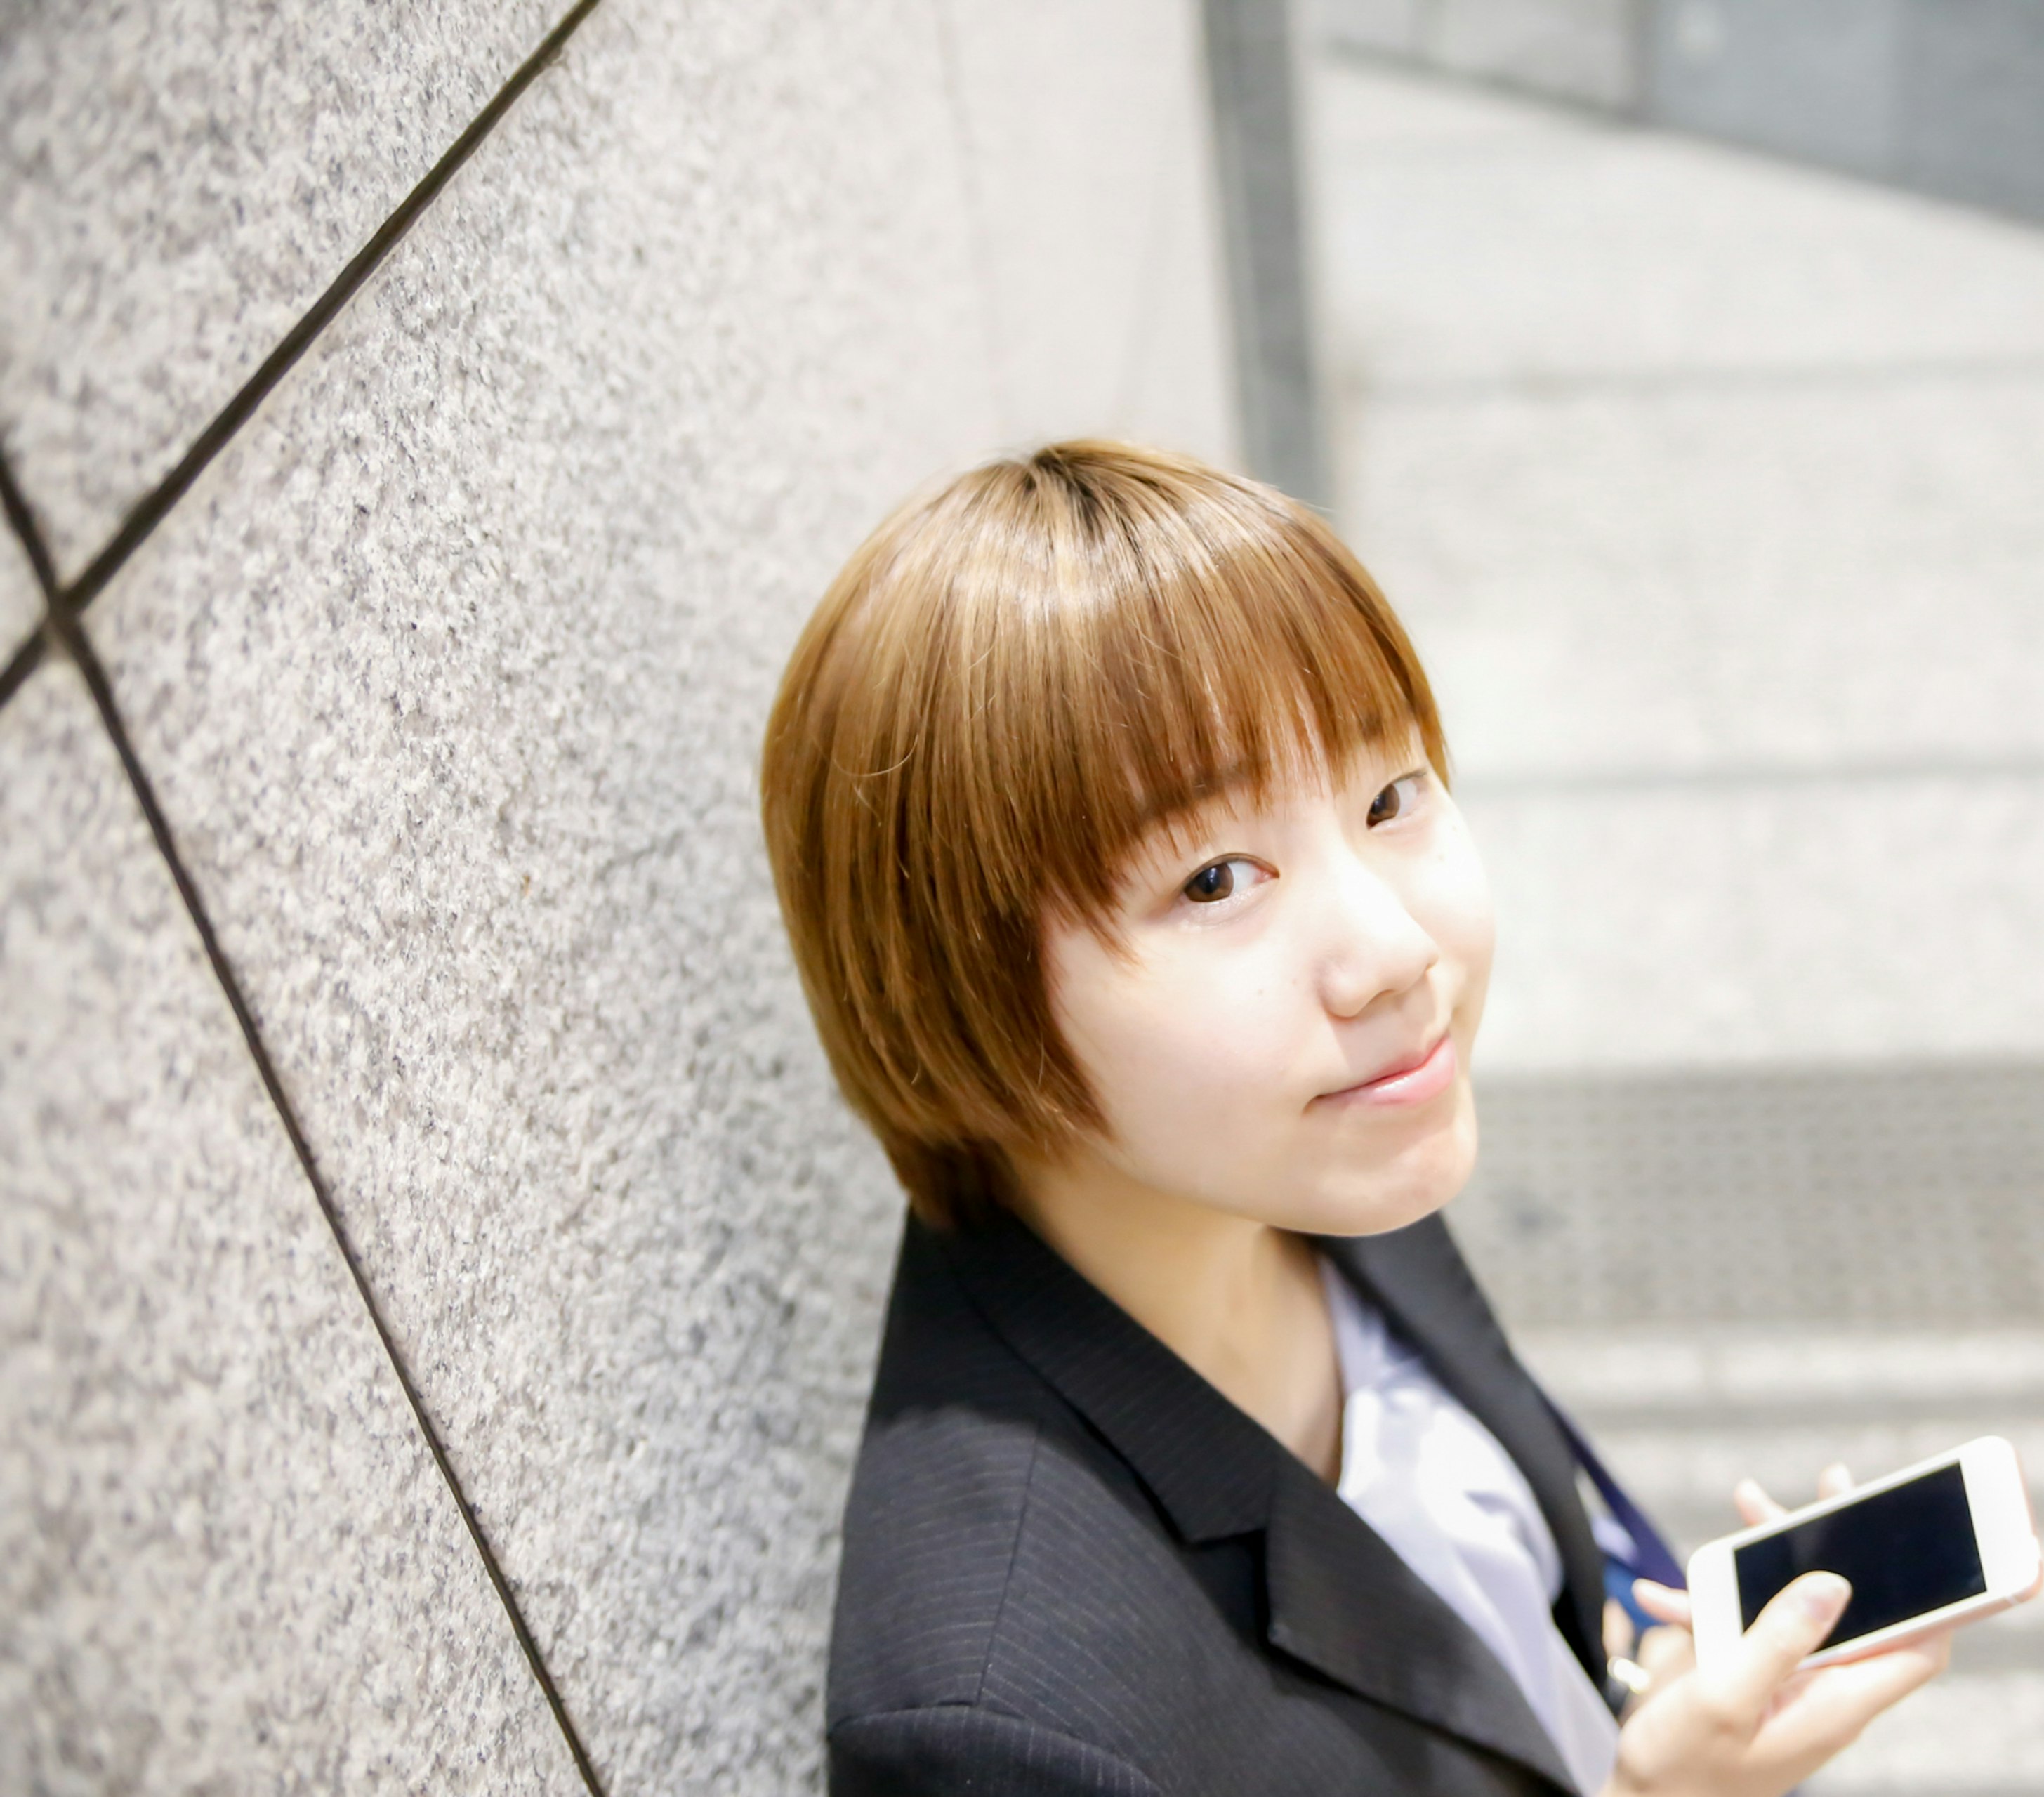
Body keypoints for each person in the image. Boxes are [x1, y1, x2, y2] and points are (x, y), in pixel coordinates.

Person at [760, 442, 1945, 1795]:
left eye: (1389, 796)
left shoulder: (1306, 1166)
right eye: (1215, 879)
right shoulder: (1003, 1729)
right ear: (952, 988)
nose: (1392, 948)